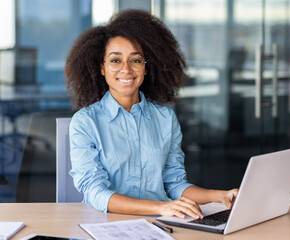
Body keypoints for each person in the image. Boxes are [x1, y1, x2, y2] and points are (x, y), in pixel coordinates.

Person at [64, 9, 238, 219]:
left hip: (163, 223)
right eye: (115, 60)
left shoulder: (165, 119)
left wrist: (218, 196)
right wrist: (160, 207)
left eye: (136, 60)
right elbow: (95, 192)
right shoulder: (85, 122)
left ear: (146, 68)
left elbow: (174, 183)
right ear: (101, 68)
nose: (126, 69)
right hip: (106, 224)